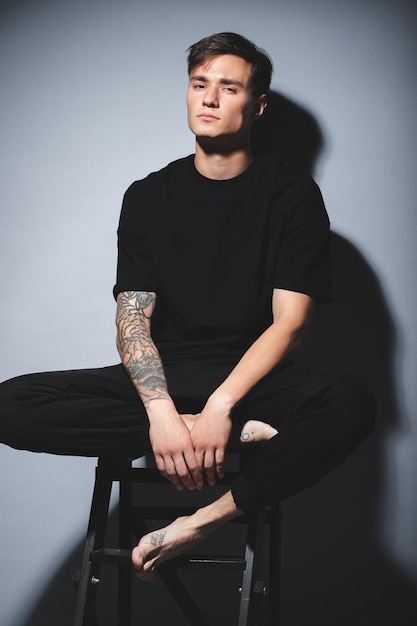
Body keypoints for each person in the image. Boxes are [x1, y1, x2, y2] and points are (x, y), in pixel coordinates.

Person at [0, 32, 376, 582]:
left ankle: (203, 520)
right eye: (199, 84)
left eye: (228, 87)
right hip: (164, 384)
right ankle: (240, 429)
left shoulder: (292, 193)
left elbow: (290, 325)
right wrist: (163, 419)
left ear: (258, 105)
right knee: (10, 402)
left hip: (249, 382)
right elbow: (132, 323)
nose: (209, 98)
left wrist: (223, 408)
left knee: (351, 403)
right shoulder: (146, 196)